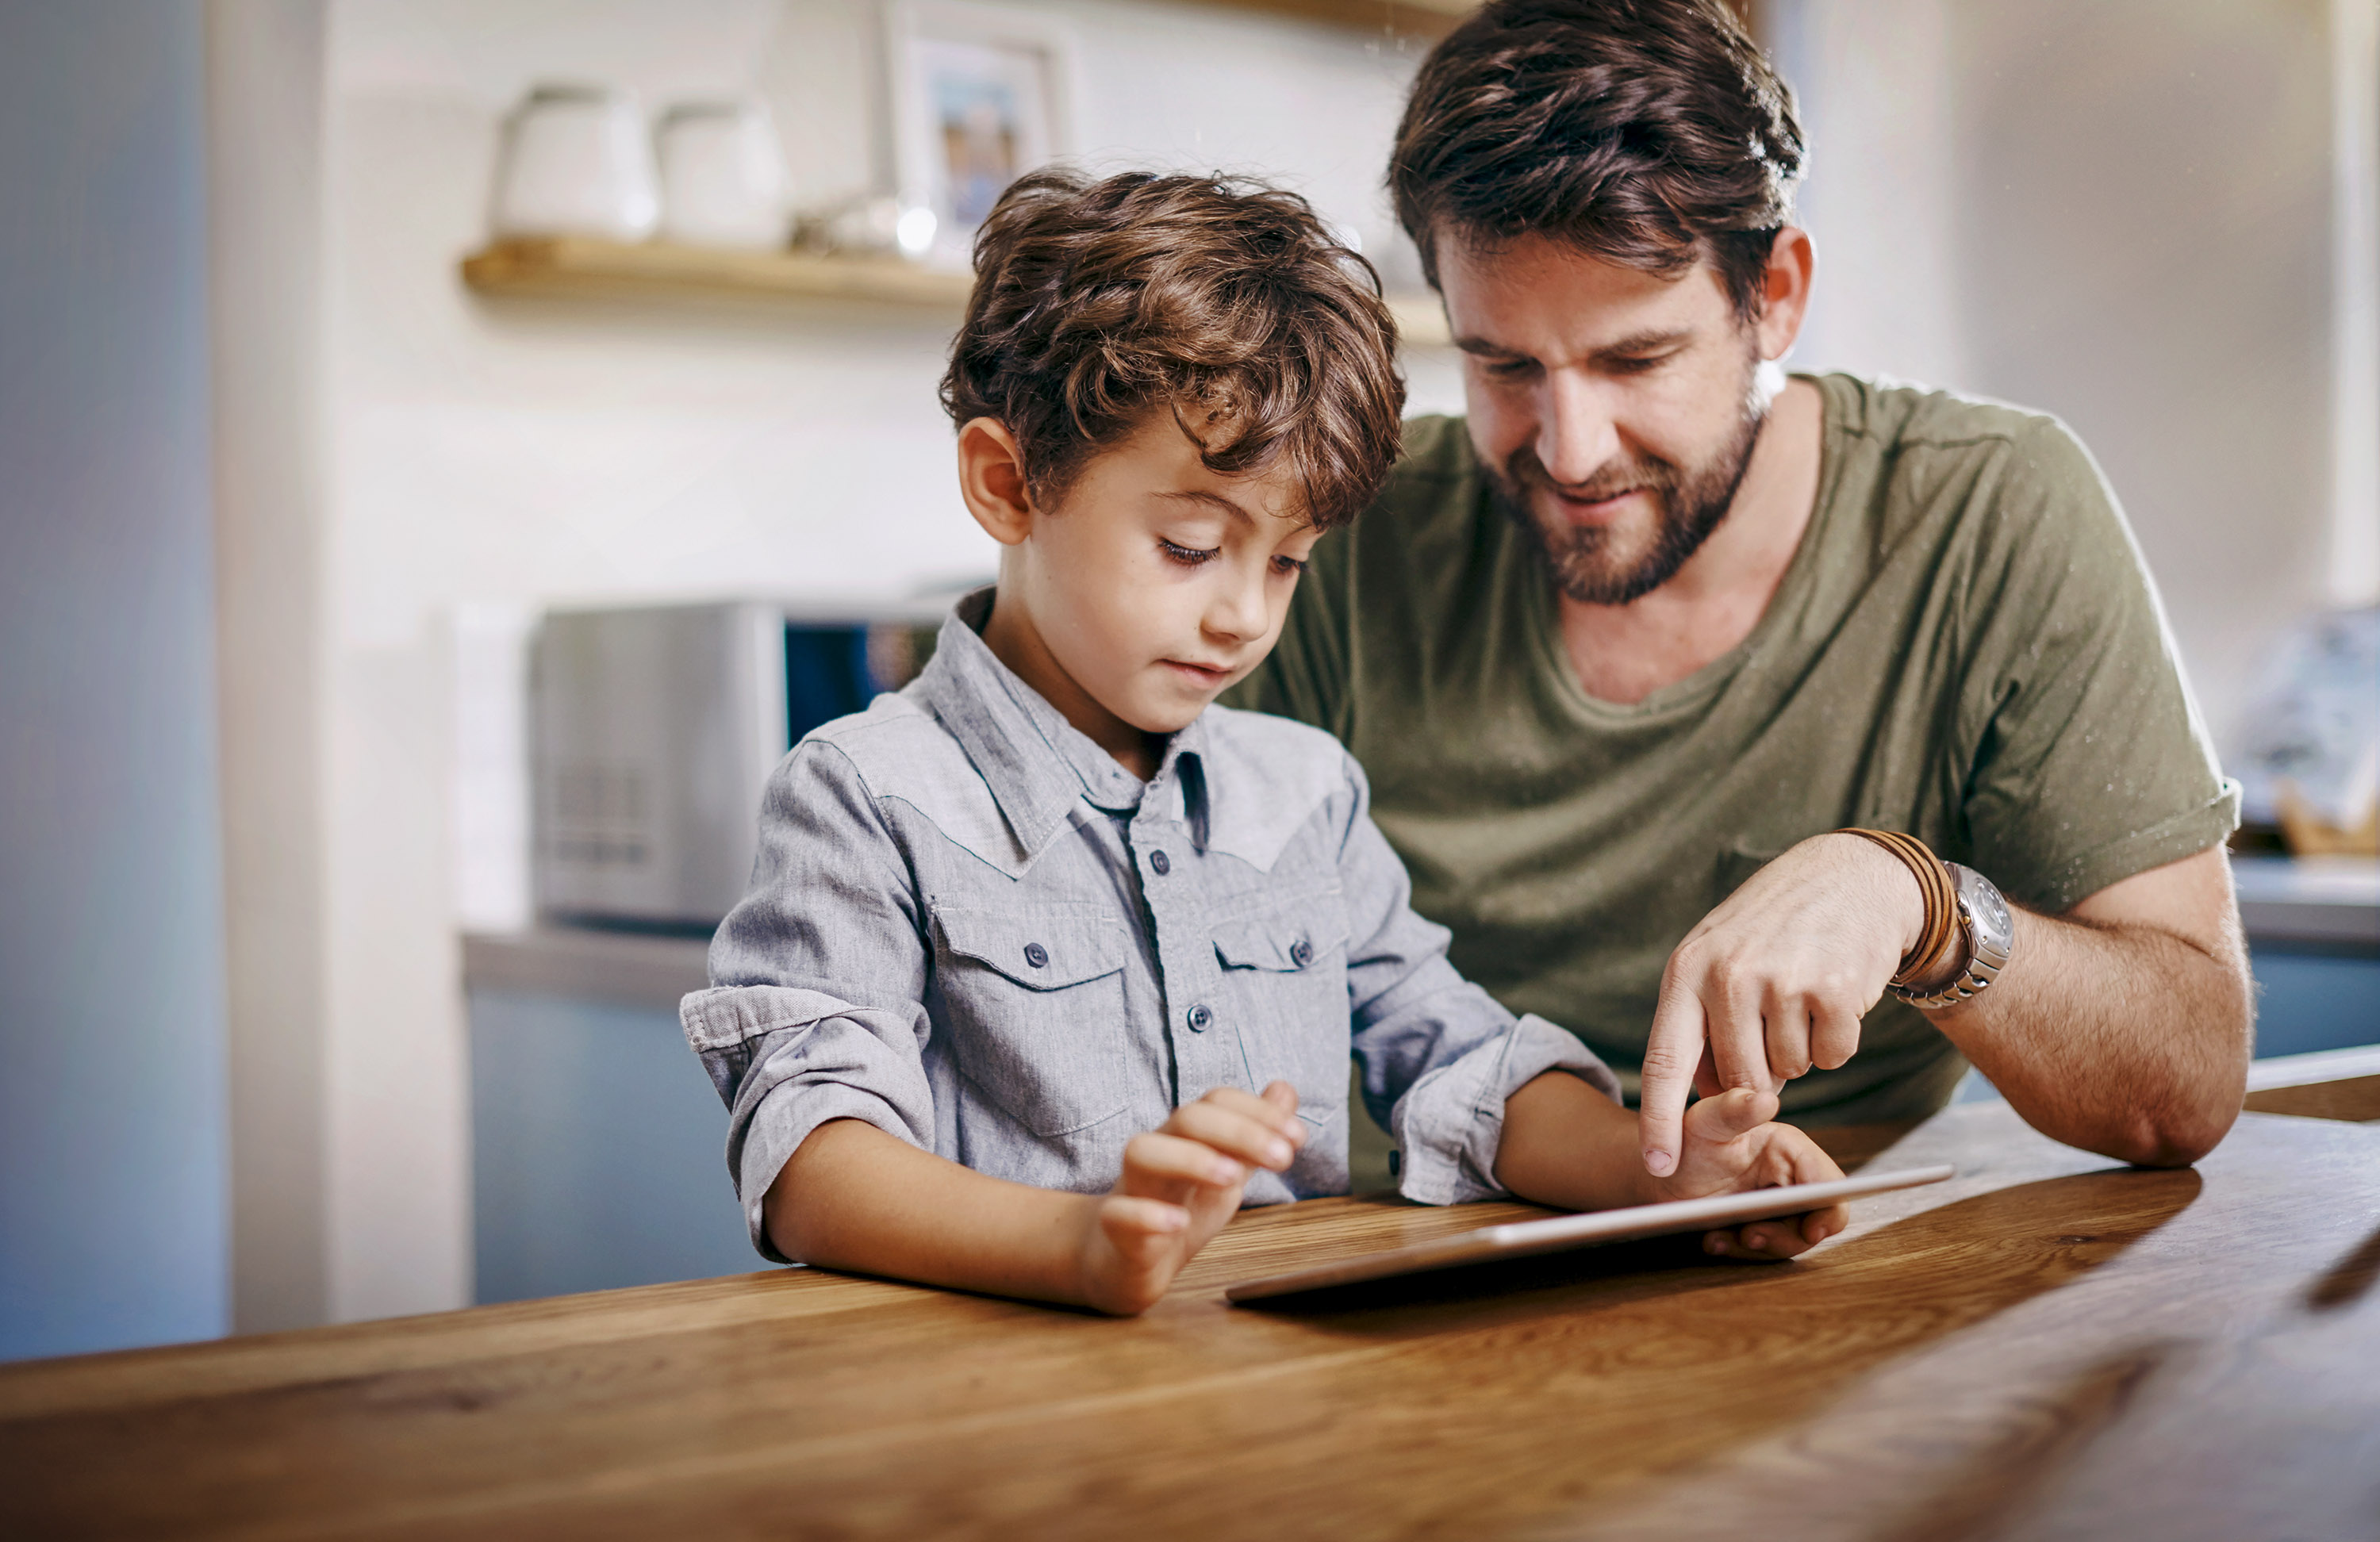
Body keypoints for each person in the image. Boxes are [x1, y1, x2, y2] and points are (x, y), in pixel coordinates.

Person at [681, 170, 1848, 1316]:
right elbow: (809, 1158)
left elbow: (1452, 1057)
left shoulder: (1303, 794)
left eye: (1286, 561)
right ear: (1007, 484)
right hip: (998, 1411)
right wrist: (1076, 1245)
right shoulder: (866, 796)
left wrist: (1665, 1175)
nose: (1244, 613)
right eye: (1192, 546)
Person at [1228, 0, 2254, 1188]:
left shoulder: (1991, 512)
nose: (1568, 450)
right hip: (1397, 1256)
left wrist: (1922, 907)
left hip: (1810, 1274)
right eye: (1504, 367)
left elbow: (2182, 1087)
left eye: (1635, 359)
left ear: (1774, 298)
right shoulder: (1351, 534)